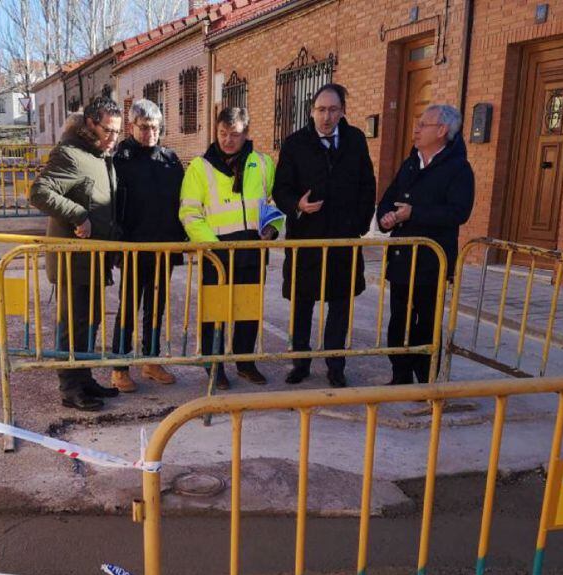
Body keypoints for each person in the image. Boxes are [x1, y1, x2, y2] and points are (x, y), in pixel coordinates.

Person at [273, 83, 376, 388]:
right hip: (307, 239)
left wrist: (358, 225)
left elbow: (367, 186)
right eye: (321, 110)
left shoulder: (355, 140)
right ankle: (300, 363)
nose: (326, 116)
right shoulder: (295, 143)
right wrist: (297, 205)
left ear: (342, 111)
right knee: (302, 304)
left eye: (333, 110)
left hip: (343, 240)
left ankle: (335, 366)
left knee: (340, 305)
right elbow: (281, 189)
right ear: (311, 111)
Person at [29, 96, 123, 411]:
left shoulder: (98, 155)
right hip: (73, 258)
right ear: (90, 124)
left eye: (117, 132)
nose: (113, 137)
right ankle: (70, 387)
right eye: (108, 130)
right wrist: (79, 215)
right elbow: (39, 192)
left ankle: (84, 378)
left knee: (90, 321)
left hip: (95, 258)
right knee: (73, 324)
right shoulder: (70, 154)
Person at [179, 107, 283, 389]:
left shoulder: (262, 163)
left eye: (234, 135)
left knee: (248, 309)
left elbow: (274, 201)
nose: (227, 140)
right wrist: (212, 247)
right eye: (223, 133)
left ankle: (245, 362)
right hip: (217, 254)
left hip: (251, 251)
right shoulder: (200, 167)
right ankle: (214, 366)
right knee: (216, 313)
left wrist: (273, 227)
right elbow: (189, 213)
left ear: (246, 134)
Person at [377, 103, 475, 384]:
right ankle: (400, 375)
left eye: (423, 125)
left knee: (427, 323)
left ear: (442, 130)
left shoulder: (458, 169)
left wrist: (414, 213)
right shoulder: (410, 163)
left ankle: (428, 376)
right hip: (401, 258)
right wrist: (385, 217)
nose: (416, 130)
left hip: (432, 261)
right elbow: (389, 197)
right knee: (399, 319)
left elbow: (459, 212)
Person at [109, 99, 186, 393]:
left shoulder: (170, 159)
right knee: (128, 308)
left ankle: (151, 361)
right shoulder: (121, 160)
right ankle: (119, 366)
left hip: (164, 247)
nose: (150, 133)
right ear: (132, 126)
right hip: (132, 248)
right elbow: (112, 204)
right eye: (144, 127)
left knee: (157, 308)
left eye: (155, 127)